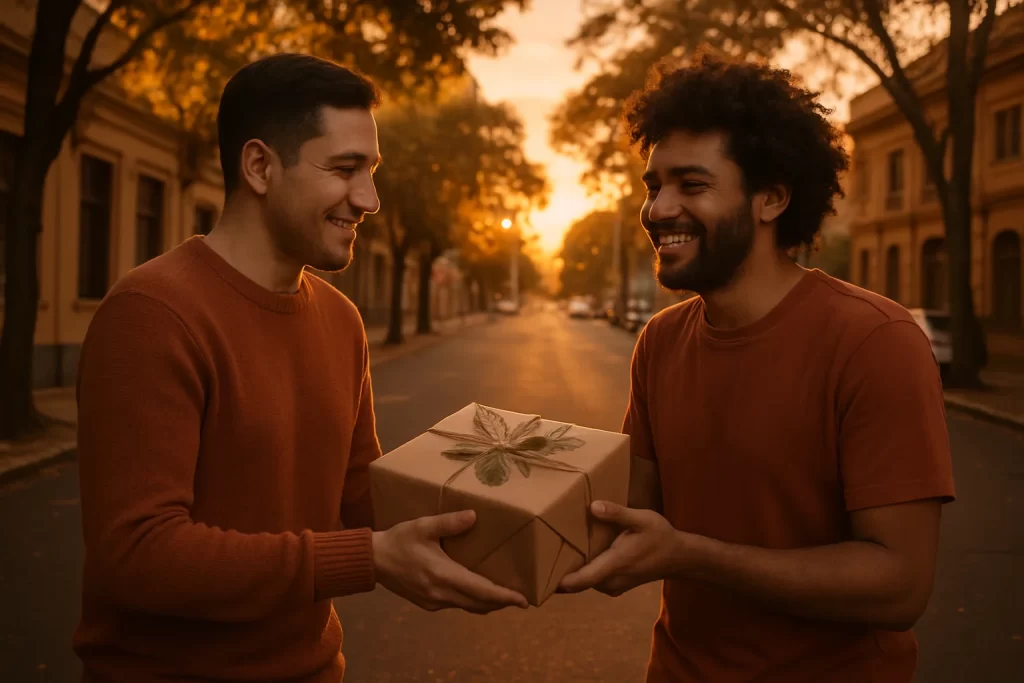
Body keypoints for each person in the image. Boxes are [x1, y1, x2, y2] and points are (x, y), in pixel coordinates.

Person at [73, 53, 527, 683]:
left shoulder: (342, 321)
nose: (368, 199)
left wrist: (513, 509)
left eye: (370, 172)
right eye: (344, 170)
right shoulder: (151, 314)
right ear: (259, 166)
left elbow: (364, 495)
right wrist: (367, 558)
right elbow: (137, 554)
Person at [559, 54, 956, 682]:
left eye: (692, 185)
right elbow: (623, 512)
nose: (659, 208)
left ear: (771, 198)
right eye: (653, 185)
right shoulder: (660, 341)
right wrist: (490, 491)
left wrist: (693, 555)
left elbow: (899, 587)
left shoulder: (875, 341)